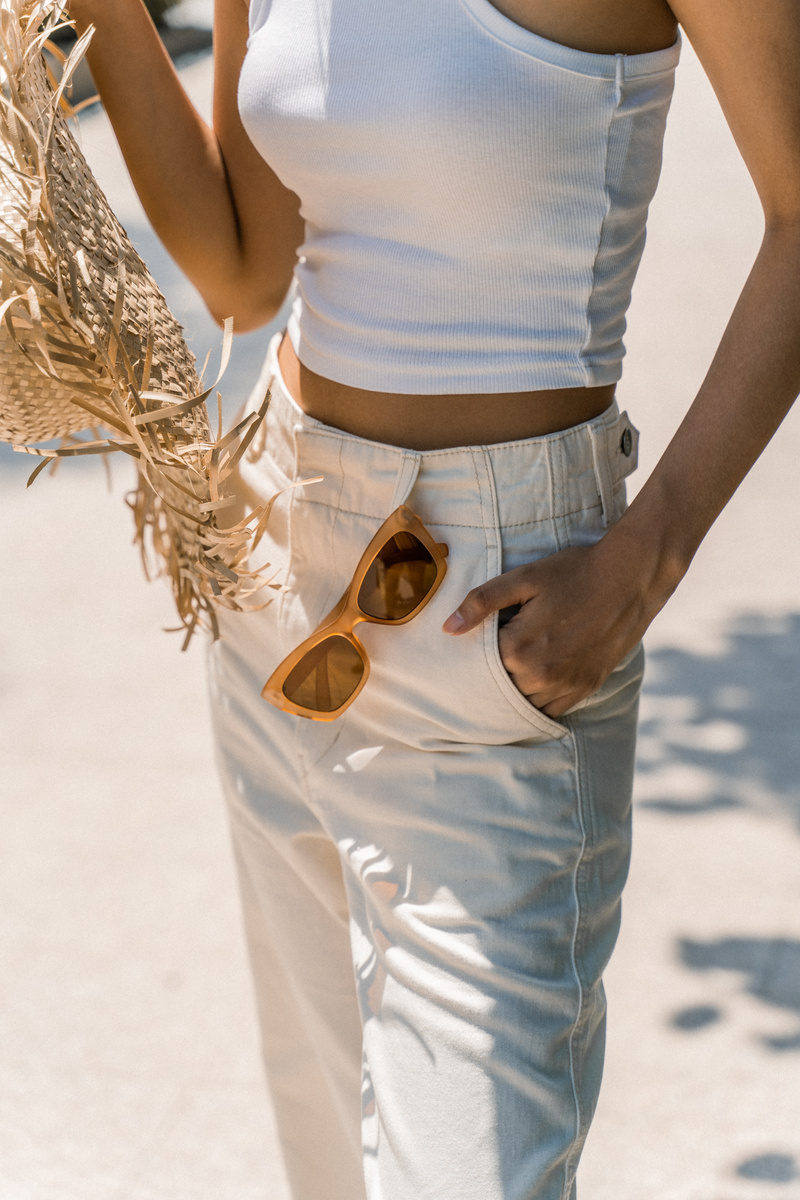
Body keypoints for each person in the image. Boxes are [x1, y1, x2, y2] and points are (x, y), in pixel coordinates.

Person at [67, 0, 800, 1196]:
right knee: (329, 1168)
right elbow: (249, 270)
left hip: (497, 620)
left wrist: (647, 556)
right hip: (274, 578)